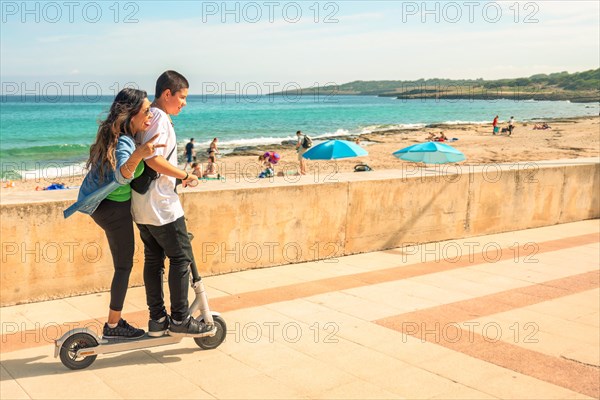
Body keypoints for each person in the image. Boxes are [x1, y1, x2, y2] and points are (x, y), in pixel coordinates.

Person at [64, 88, 161, 339]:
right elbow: (122, 174)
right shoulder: (125, 142)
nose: (150, 116)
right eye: (146, 111)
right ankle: (114, 326)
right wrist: (140, 154)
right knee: (124, 266)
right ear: (130, 115)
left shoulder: (116, 134)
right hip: (114, 210)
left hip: (104, 207)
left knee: (123, 264)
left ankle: (114, 324)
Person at [131, 70, 215, 338]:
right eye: (182, 97)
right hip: (162, 206)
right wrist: (186, 175)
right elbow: (152, 159)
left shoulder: (149, 116)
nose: (185, 103)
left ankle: (157, 320)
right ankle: (179, 319)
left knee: (154, 261)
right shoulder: (158, 118)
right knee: (181, 257)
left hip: (143, 205)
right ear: (167, 94)